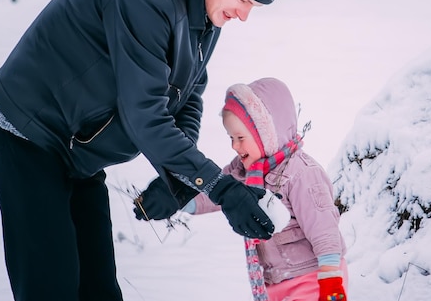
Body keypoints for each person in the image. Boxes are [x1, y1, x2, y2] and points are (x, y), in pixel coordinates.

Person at [0, 0, 283, 301]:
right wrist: (218, 188)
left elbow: (187, 96)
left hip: (78, 150)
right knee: (52, 286)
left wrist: (181, 180)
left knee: (99, 290)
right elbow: (145, 116)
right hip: (29, 134)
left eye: (253, 5)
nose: (243, 15)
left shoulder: (205, 8)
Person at [137, 77, 348, 301]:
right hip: (273, 281)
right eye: (231, 138)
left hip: (311, 277)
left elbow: (323, 227)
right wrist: (179, 201)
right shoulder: (242, 170)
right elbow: (215, 193)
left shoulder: (301, 174)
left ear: (267, 134)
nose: (234, 146)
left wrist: (330, 276)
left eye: (240, 138)